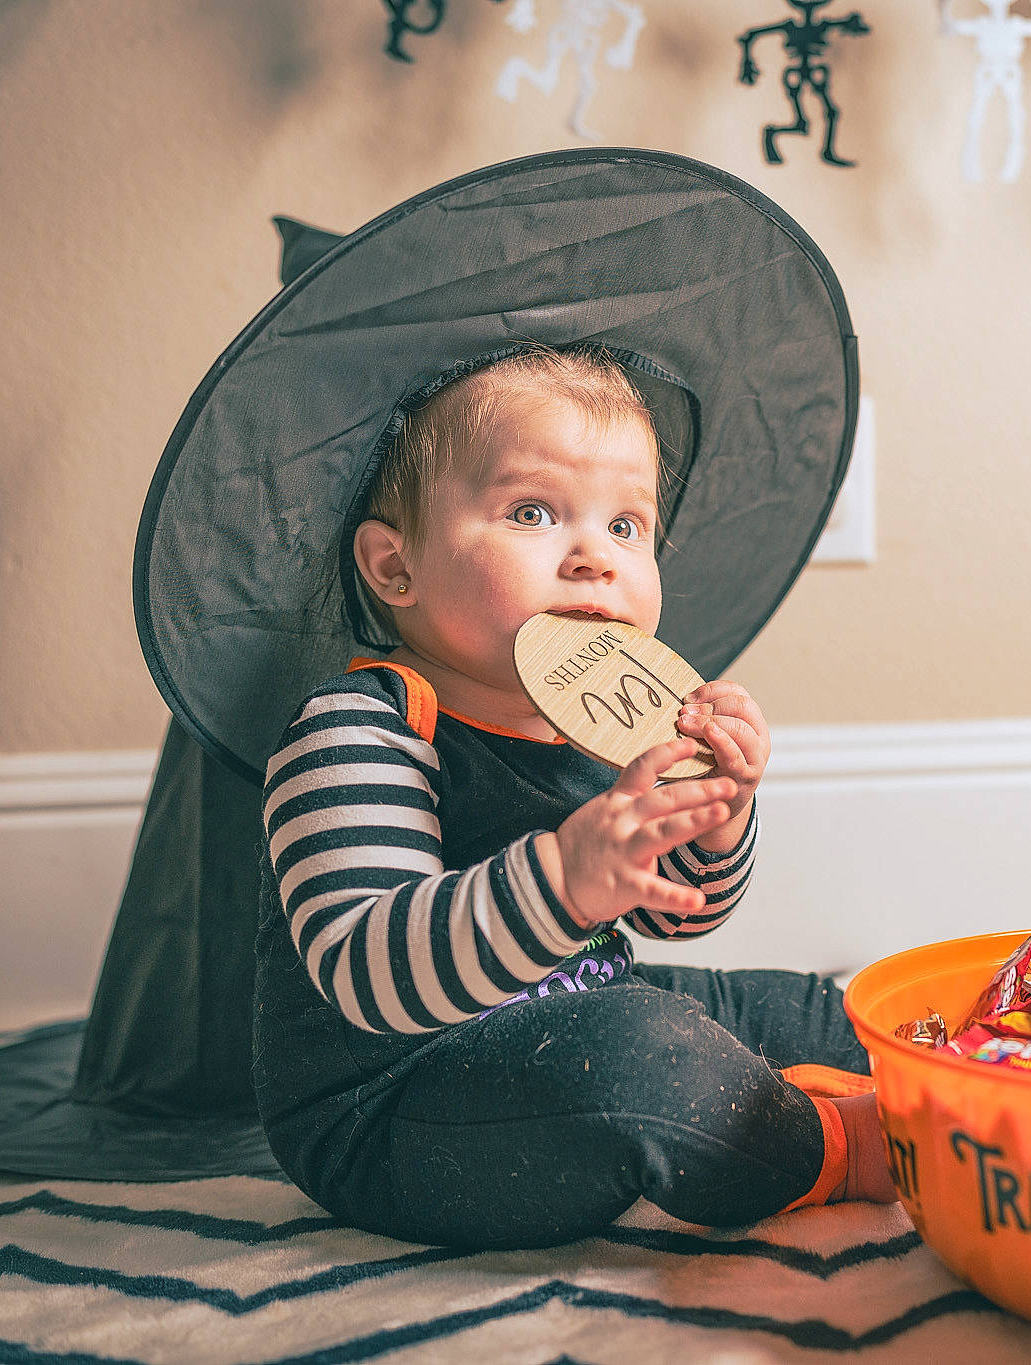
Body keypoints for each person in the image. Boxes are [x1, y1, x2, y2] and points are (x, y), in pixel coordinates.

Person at [253, 344, 895, 1250]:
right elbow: (367, 969)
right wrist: (561, 882)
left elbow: (677, 913)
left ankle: (969, 1064)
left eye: (627, 525)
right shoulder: (359, 726)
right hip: (402, 1103)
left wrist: (719, 812)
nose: (596, 556)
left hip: (581, 1007)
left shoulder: (598, 721)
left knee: (812, 1008)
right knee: (644, 1052)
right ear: (396, 567)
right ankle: (837, 1146)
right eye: (533, 512)